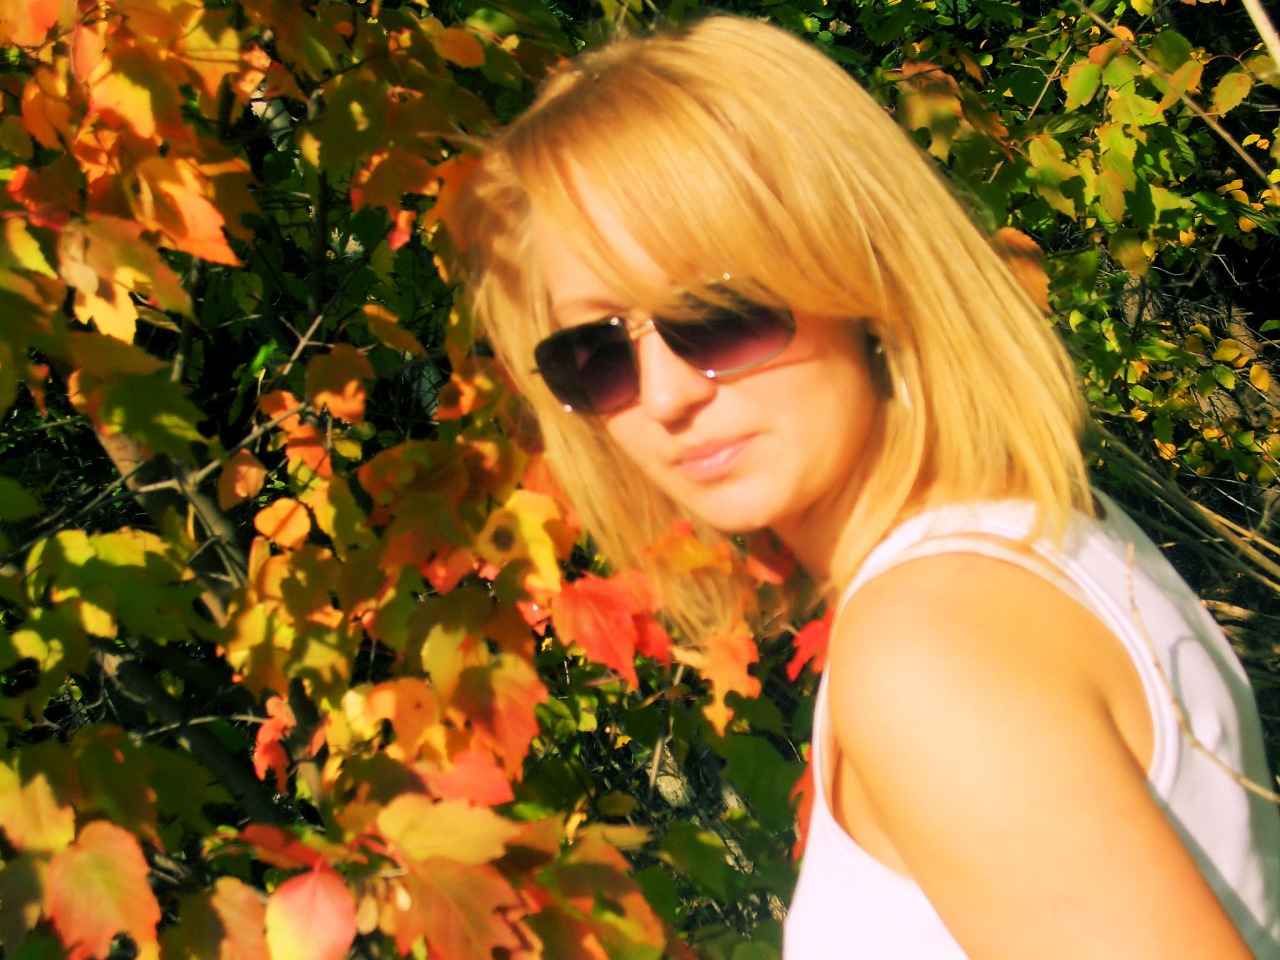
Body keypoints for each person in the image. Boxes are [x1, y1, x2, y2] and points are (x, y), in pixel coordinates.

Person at [454, 14, 1280, 959]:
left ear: (859, 272)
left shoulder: (931, 646)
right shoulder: (1030, 539)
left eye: (716, 312)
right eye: (596, 352)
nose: (667, 394)